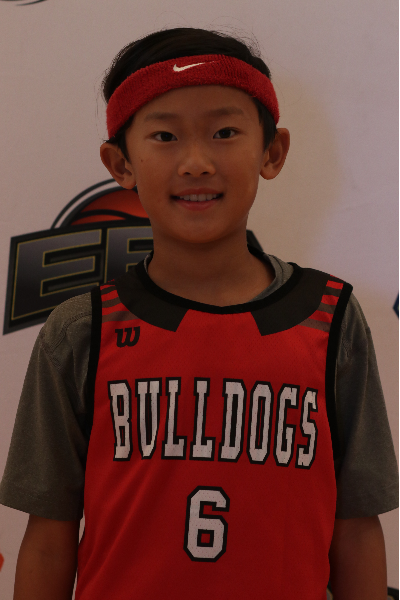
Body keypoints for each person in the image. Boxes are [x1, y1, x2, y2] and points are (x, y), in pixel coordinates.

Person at [0, 27, 398, 600]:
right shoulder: (83, 330)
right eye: (164, 136)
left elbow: (357, 528)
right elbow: (47, 539)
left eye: (224, 132)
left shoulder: (330, 318)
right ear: (120, 163)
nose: (195, 162)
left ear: (272, 152)